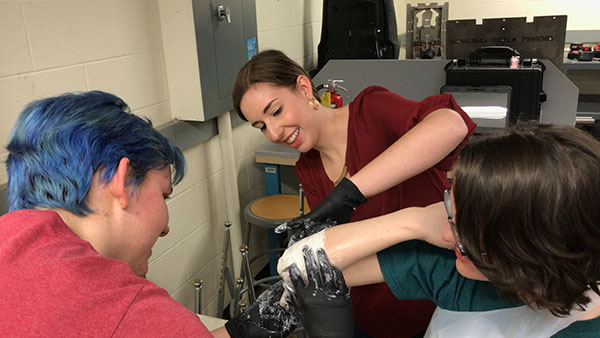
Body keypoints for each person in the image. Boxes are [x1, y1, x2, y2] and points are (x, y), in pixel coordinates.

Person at [0, 90, 333, 338]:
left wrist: (246, 328)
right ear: (122, 181)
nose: (166, 228)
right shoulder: (128, 310)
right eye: (163, 194)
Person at [233, 49, 477, 337]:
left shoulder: (370, 111)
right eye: (262, 127)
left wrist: (351, 191)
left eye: (276, 111)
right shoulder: (308, 169)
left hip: (436, 300)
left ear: (303, 88)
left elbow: (451, 125)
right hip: (371, 308)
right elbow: (347, 248)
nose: (274, 133)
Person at [279, 123, 600, 337]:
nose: (448, 235)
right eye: (449, 209)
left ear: (529, 247)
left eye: (468, 230)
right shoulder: (455, 269)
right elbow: (301, 266)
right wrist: (414, 220)